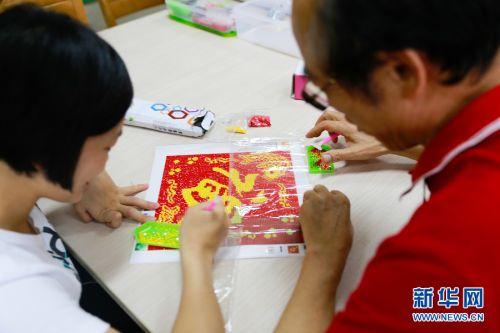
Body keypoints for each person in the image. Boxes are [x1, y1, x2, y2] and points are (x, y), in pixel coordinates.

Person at [0, 5, 227, 333]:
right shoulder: (20, 299)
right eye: (106, 147)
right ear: (46, 149)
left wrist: (81, 177)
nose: (107, 163)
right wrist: (197, 252)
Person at [276, 0, 500, 332]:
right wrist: (414, 136)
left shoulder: (449, 250)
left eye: (325, 87)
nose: (333, 103)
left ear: (403, 74)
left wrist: (323, 257)